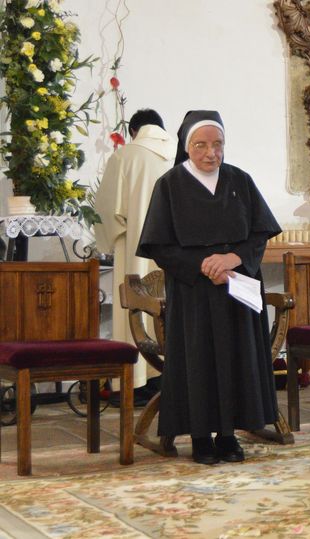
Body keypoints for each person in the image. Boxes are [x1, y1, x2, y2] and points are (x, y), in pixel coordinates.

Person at [137, 110, 281, 465]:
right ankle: (200, 438)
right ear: (187, 148)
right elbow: (158, 246)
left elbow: (260, 233)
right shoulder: (170, 185)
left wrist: (233, 258)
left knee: (236, 358)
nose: (210, 153)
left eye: (217, 144)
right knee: (198, 361)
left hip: (237, 287)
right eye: (201, 145)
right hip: (194, 292)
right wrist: (201, 264)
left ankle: (229, 435)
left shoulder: (240, 181)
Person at [95, 108, 177, 405]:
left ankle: (136, 382)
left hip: (136, 251)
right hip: (176, 252)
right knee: (171, 310)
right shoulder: (181, 151)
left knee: (137, 307)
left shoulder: (126, 156)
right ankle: (172, 378)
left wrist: (109, 238)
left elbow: (107, 210)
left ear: (133, 131)